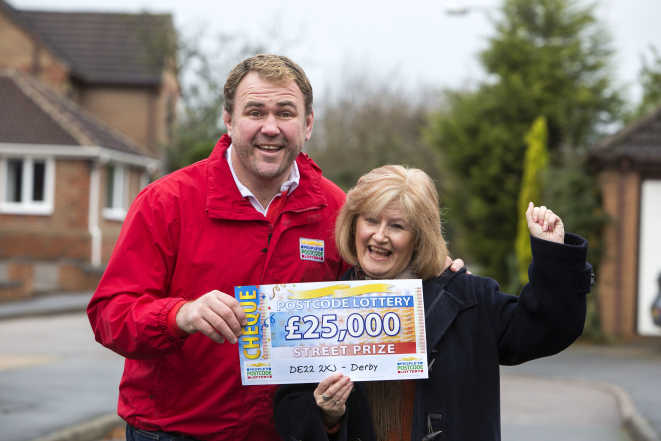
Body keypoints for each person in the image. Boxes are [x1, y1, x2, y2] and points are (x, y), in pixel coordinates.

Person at [87, 54, 464, 441]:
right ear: (229, 120)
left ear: (308, 124)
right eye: (255, 112)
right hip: (173, 432)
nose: (271, 127)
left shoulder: (337, 210)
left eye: (285, 112)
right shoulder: (166, 202)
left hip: (285, 433)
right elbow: (109, 316)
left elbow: (374, 281)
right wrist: (180, 315)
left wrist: (431, 270)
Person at [274, 165, 593, 441]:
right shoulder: (321, 306)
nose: (380, 236)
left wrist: (554, 255)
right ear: (353, 224)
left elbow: (547, 327)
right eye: (371, 220)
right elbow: (291, 410)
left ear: (419, 236)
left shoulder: (468, 298)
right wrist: (328, 416)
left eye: (397, 226)